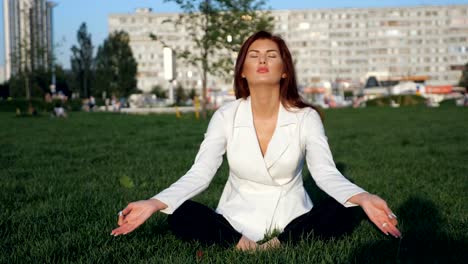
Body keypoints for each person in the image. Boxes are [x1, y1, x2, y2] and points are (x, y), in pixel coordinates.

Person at [111, 31, 401, 250]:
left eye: (272, 55)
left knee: (342, 208)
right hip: (234, 219)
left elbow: (325, 173)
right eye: (254, 55)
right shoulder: (225, 115)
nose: (262, 60)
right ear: (242, 69)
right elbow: (200, 173)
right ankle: (240, 243)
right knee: (179, 212)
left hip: (293, 219)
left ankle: (279, 244)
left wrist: (362, 196)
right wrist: (154, 202)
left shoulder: (306, 117)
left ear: (284, 70)